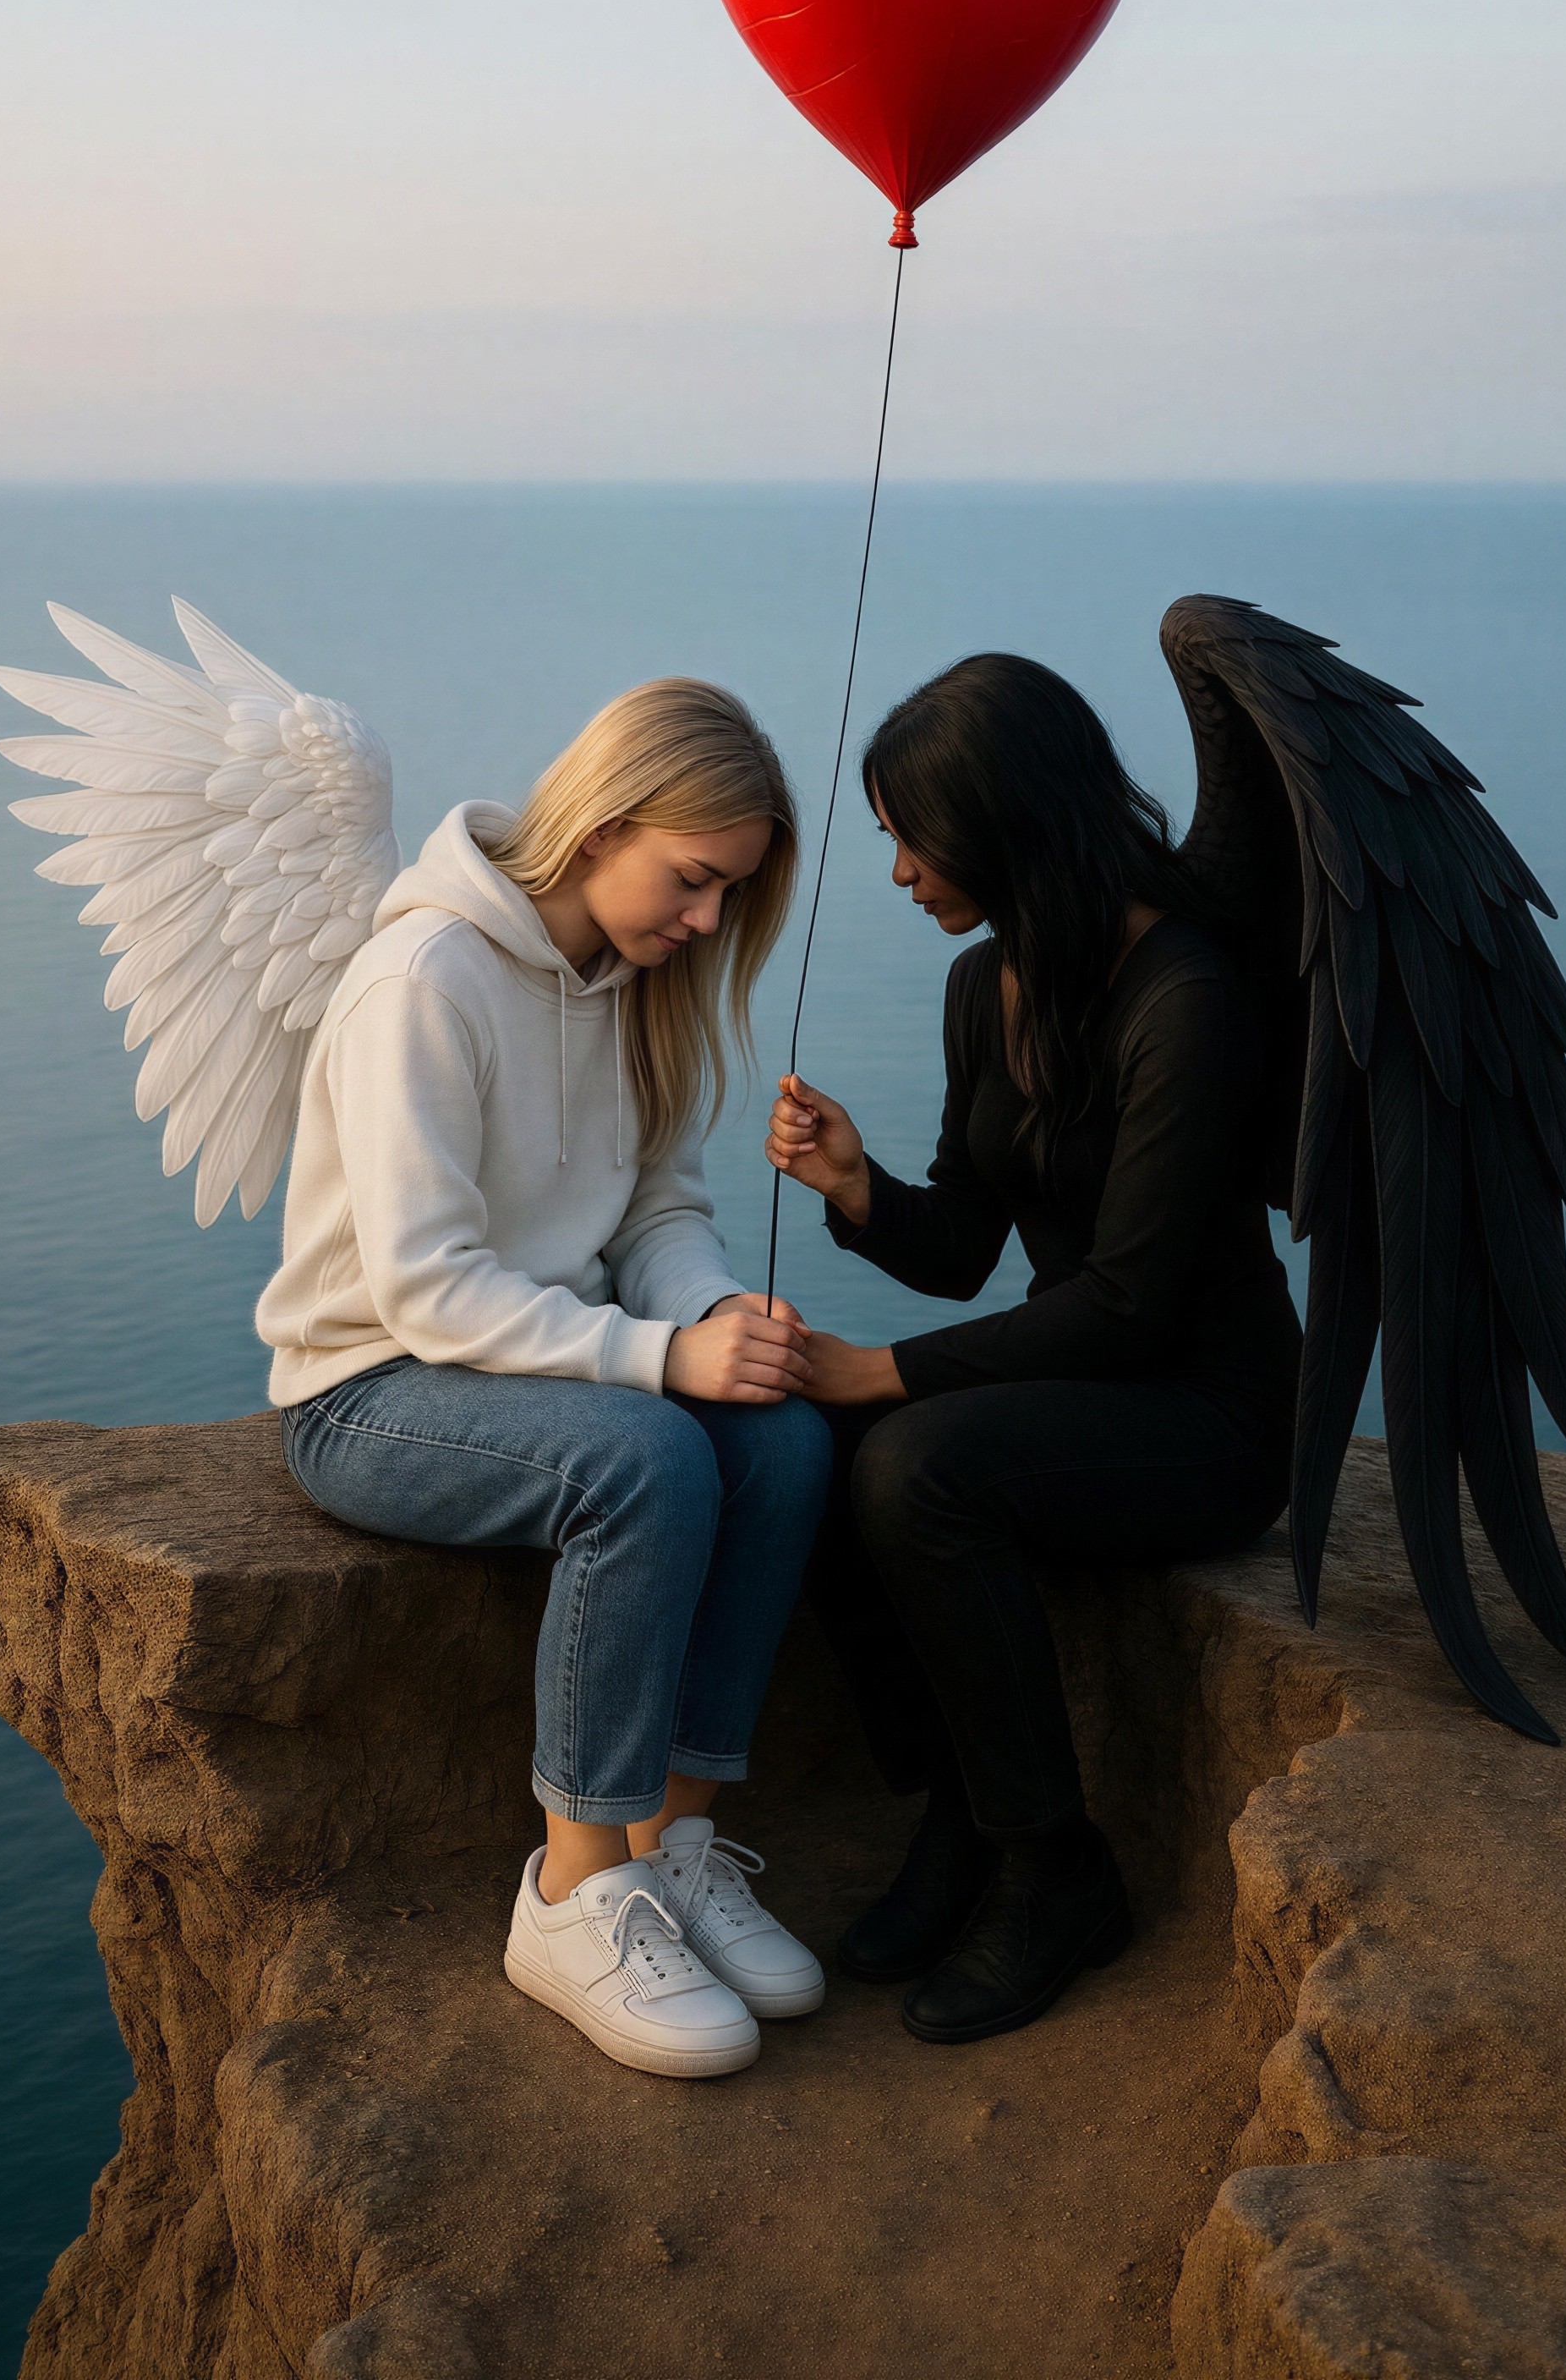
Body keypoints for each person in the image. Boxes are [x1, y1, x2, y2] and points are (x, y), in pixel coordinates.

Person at [264, 678, 834, 2081]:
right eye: (694, 881)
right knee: (644, 1461)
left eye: (727, 896)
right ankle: (575, 1890)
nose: (705, 922)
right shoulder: (425, 981)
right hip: (371, 1387)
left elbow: (657, 1218)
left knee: (782, 1444)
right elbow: (424, 1286)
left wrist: (716, 1315)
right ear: (603, 824)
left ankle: (673, 1842)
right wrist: (655, 1359)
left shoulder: (641, 989)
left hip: (532, 1371)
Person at [765, 654, 1301, 2046]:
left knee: (914, 1462)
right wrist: (855, 1184)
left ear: (1003, 820)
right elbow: (963, 1250)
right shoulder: (987, 986)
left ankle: (1060, 1872)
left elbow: (1128, 1297)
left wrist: (883, 1371)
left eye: (909, 834)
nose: (895, 872)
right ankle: (962, 1813)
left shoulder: (1185, 992)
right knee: (807, 1440)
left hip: (1210, 1415)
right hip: (1090, 1384)